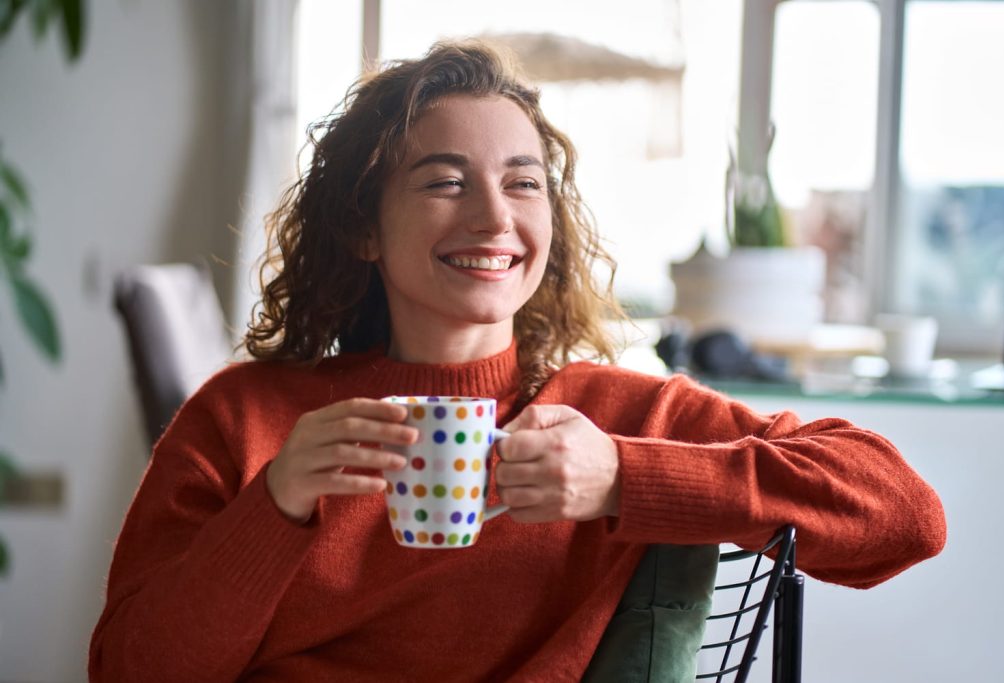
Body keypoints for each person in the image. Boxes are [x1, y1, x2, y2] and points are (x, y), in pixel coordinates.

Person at [89, 40, 945, 682]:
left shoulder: (612, 421)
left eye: (524, 182)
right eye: (444, 181)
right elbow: (130, 669)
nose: (495, 218)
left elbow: (906, 514)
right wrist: (275, 507)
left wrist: (624, 476)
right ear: (362, 226)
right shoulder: (247, 418)